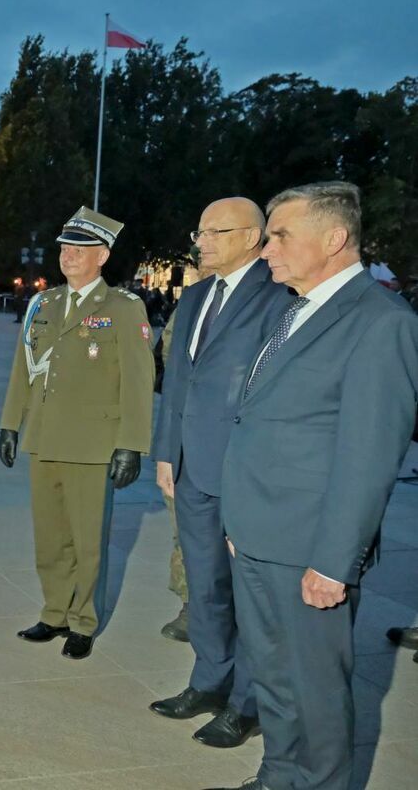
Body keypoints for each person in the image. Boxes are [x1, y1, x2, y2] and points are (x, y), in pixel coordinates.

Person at [207, 182, 418, 790]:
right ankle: (278, 776)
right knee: (273, 677)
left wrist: (334, 561)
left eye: (279, 235)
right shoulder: (293, 307)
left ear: (334, 238)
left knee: (318, 691)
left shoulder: (382, 324)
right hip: (256, 534)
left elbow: (369, 457)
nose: (267, 247)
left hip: (311, 549)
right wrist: (238, 525)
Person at [148, 198, 290, 750]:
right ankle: (208, 681)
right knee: (204, 587)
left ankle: (246, 704)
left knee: (249, 595)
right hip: (190, 466)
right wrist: (166, 452)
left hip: (241, 469)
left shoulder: (279, 294)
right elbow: (177, 379)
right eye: (199, 230)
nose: (201, 241)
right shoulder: (199, 293)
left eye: (215, 231)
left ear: (253, 236)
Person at [0, 207, 153, 660]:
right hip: (44, 439)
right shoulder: (43, 305)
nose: (67, 256)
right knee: (49, 536)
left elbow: (139, 382)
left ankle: (83, 621)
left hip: (93, 445)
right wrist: (10, 423)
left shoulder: (123, 308)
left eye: (79, 250)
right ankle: (53, 612)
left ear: (101, 256)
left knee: (87, 540)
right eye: (64, 248)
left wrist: (132, 444)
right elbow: (22, 371)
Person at [155, 303, 190, 644]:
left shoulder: (273, 296)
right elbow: (170, 364)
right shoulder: (193, 302)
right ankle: (191, 604)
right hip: (188, 433)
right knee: (186, 528)